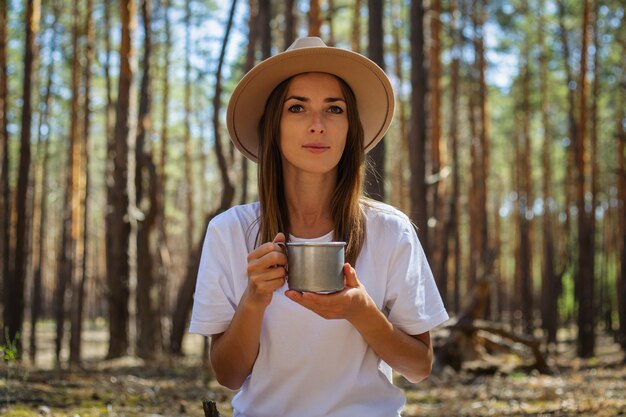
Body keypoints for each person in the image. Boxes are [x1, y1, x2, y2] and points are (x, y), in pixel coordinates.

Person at [189, 37, 449, 417]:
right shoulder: (230, 231)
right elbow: (228, 375)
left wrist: (362, 312)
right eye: (297, 108)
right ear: (272, 127)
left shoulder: (390, 230)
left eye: (334, 109)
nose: (317, 125)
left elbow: (419, 367)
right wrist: (254, 299)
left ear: (350, 128)